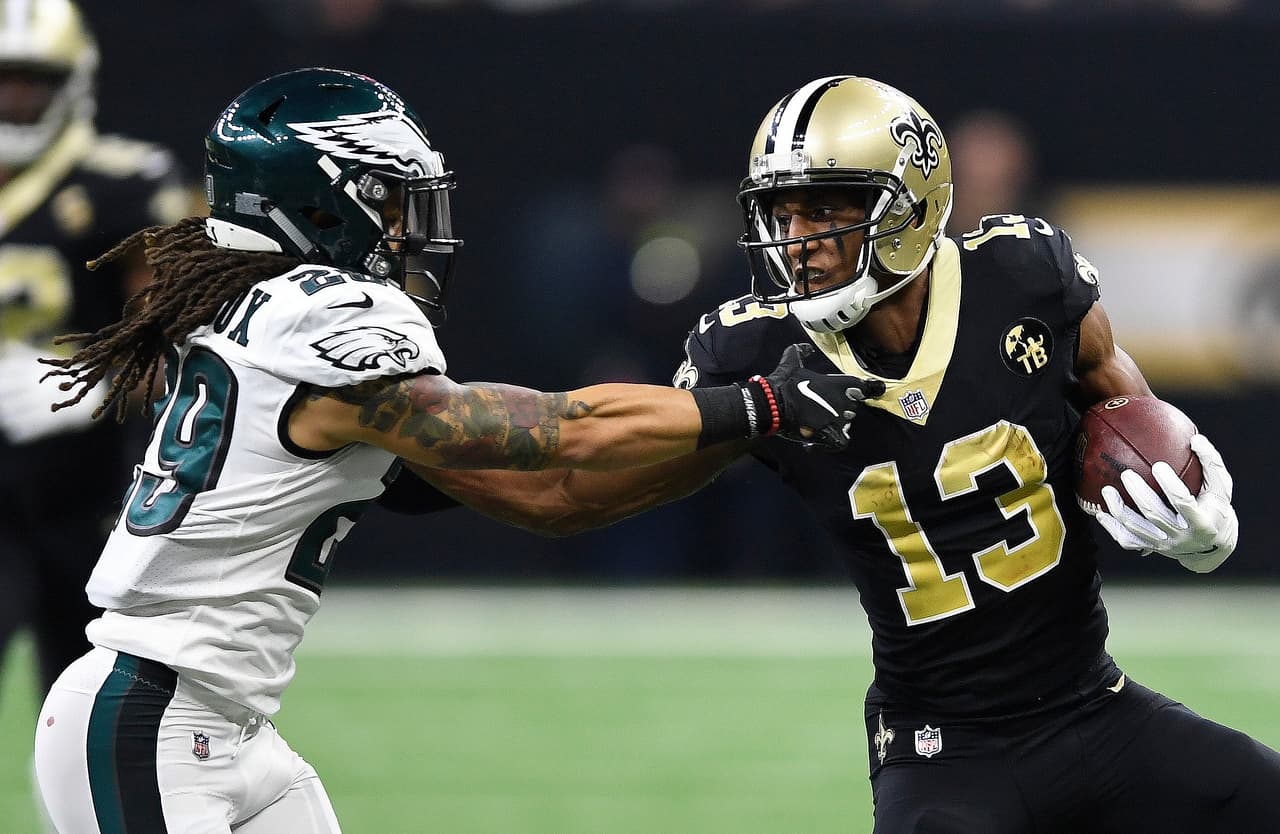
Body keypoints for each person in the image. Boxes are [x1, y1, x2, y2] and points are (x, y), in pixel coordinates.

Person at [414, 75, 1280, 832]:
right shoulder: (755, 354)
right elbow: (573, 497)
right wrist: (409, 451)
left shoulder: (1022, 275)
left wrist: (1200, 512)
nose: (800, 237)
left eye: (828, 208)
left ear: (909, 207)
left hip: (1097, 709)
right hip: (945, 751)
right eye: (784, 211)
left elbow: (1130, 411)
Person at [29, 67, 875, 833]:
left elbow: (550, 500)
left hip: (225, 724)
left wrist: (735, 438)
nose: (409, 228)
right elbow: (557, 430)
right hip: (152, 719)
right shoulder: (314, 316)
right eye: (391, 201)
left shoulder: (255, 318)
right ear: (321, 205)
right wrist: (753, 402)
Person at [0, 0, 188, 705]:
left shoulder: (124, 183)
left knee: (85, 703)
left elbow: (179, 339)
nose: (13, 99)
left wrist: (98, 381)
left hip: (86, 488)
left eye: (32, 81)